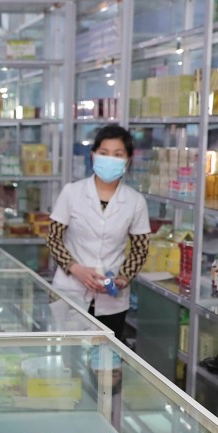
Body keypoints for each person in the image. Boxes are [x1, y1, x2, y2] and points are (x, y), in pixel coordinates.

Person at [46, 124, 149, 340]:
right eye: (104, 153)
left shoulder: (135, 201)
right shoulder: (72, 192)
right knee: (69, 363)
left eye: (118, 154)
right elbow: (53, 237)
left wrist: (122, 278)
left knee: (104, 365)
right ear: (93, 156)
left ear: (128, 159)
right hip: (70, 290)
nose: (110, 159)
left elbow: (140, 249)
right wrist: (75, 268)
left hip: (111, 299)